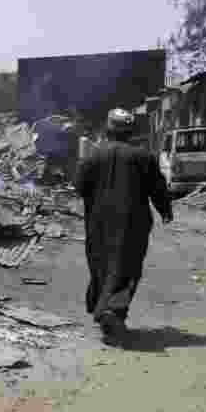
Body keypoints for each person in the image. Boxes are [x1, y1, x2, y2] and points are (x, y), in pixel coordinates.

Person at [76, 108, 173, 343]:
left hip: (98, 222)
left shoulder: (92, 156)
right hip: (133, 222)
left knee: (101, 264)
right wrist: (165, 210)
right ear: (131, 131)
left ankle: (105, 311)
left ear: (108, 128)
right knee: (127, 267)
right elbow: (157, 188)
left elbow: (79, 187)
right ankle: (113, 311)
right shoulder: (143, 157)